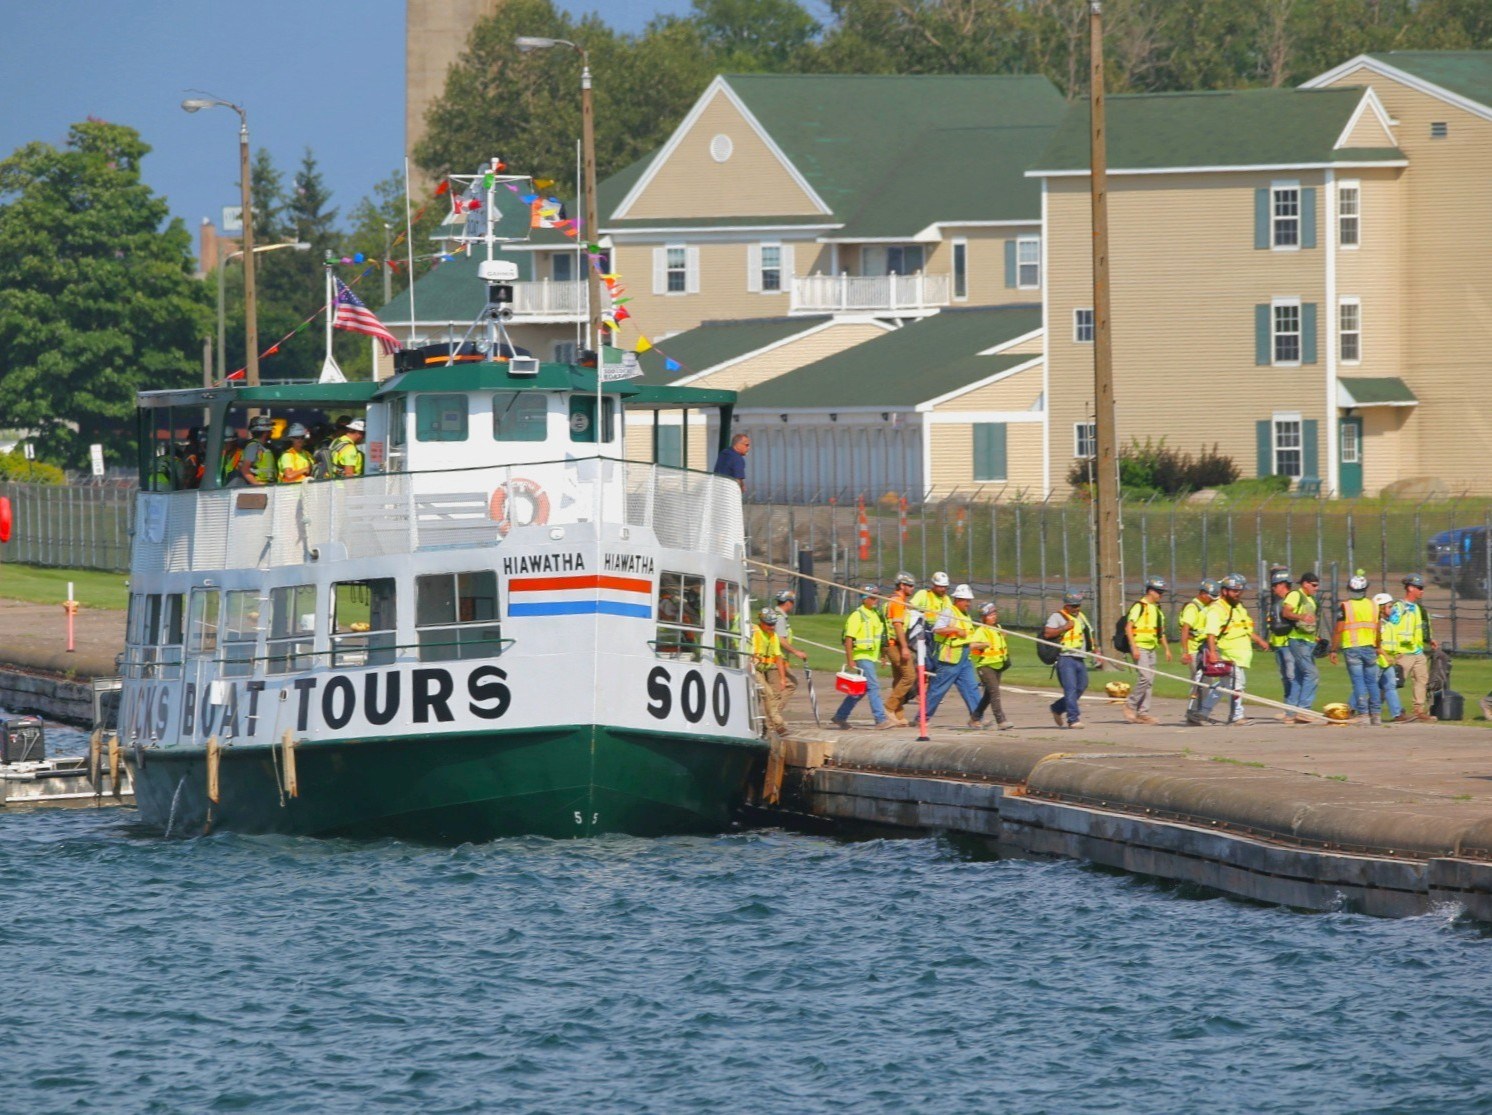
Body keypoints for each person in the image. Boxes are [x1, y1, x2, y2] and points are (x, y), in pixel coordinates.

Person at [1196, 575, 1271, 726]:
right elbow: (1211, 633)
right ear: (1224, 591)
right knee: (1238, 685)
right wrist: (1213, 653)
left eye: (1240, 591)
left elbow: (1245, 628)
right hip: (1228, 654)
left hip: (1241, 654)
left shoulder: (1238, 607)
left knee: (1224, 685)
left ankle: (1203, 712)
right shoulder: (1216, 610)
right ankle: (1236, 716)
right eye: (1234, 591)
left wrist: (1259, 640)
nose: (1238, 593)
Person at [832, 585, 892, 730]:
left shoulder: (876, 615)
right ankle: (880, 719)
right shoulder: (857, 615)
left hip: (871, 657)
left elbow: (880, 637)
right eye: (872, 597)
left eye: (877, 596)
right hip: (862, 656)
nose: (876, 599)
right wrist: (850, 659)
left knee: (860, 690)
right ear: (864, 599)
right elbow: (848, 639)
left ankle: (840, 716)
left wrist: (883, 655)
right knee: (874, 686)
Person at [925, 584, 983, 724]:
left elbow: (968, 638)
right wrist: (956, 630)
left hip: (964, 657)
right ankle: (922, 718)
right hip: (949, 659)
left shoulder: (966, 616)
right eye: (966, 600)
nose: (968, 603)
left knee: (971, 688)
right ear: (957, 599)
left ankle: (976, 719)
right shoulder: (949, 611)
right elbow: (937, 629)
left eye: (969, 600)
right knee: (938, 690)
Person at [1329, 572, 1382, 724]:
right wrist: (1378, 646)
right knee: (1372, 682)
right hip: (1370, 647)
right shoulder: (1373, 605)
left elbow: (1338, 629)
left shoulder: (1346, 606)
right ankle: (1376, 715)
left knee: (1358, 681)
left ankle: (1363, 714)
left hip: (1352, 648)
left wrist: (1333, 649)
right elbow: (1378, 630)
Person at [1123, 577, 1172, 726]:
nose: (1160, 595)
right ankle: (1130, 705)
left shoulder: (1157, 610)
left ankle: (1143, 713)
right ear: (1150, 591)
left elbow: (1160, 632)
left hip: (1151, 648)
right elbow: (1128, 628)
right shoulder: (1139, 606)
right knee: (1144, 677)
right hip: (1140, 647)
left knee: (1149, 681)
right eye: (1158, 592)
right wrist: (1134, 647)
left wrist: (1167, 649)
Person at [1044, 591, 1094, 729]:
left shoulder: (1081, 617)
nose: (1076, 608)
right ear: (1066, 605)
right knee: (1070, 688)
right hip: (1065, 658)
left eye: (1078, 605)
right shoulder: (1057, 616)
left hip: (1080, 657)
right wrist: (1065, 627)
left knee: (1081, 686)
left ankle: (1057, 708)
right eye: (1073, 606)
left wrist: (1094, 647)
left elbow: (1086, 634)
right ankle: (1073, 719)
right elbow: (1047, 633)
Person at [1392, 573, 1439, 722]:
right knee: (1393, 683)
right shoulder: (1399, 607)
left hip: (1417, 651)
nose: (1422, 591)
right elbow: (1390, 627)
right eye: (1419, 588)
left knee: (1421, 680)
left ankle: (1419, 711)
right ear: (1410, 588)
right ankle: (1373, 707)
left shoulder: (1419, 609)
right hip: (1403, 652)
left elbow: (1422, 627)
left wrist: (1429, 639)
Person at [1281, 571, 1321, 720]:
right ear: (1305, 583)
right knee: (1312, 674)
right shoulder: (1295, 595)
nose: (1316, 588)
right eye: (1314, 585)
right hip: (1298, 640)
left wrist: (1315, 637)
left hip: (1308, 641)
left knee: (1299, 677)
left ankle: (1290, 713)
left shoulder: (1311, 599)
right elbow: (1286, 612)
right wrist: (1301, 616)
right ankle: (1304, 710)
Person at [1180, 579, 1219, 722]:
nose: (1213, 600)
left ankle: (1198, 711)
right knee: (1199, 682)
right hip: (1194, 651)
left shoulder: (1206, 606)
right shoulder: (1193, 607)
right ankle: (1192, 712)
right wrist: (1185, 652)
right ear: (1203, 593)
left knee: (1206, 682)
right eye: (1211, 596)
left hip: (1204, 651)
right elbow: (1185, 630)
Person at [883, 572, 918, 727]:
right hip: (894, 644)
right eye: (909, 585)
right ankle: (888, 708)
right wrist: (904, 648)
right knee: (909, 676)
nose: (912, 588)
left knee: (899, 678)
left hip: (891, 644)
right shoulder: (897, 602)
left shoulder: (895, 600)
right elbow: (897, 626)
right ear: (901, 586)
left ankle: (898, 715)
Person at [972, 601, 1013, 730]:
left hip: (998, 665)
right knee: (995, 692)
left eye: (995, 613)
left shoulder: (998, 628)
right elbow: (972, 646)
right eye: (990, 614)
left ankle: (975, 718)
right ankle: (1001, 720)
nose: (994, 616)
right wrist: (983, 644)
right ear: (984, 617)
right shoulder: (981, 630)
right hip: (985, 665)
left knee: (989, 695)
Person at [752, 606, 789, 737]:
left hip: (765, 669)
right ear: (761, 622)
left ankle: (764, 727)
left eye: (773, 624)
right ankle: (779, 725)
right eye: (769, 624)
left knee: (769, 695)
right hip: (753, 669)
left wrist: (782, 678)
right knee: (767, 693)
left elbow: (778, 657)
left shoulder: (773, 636)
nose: (772, 627)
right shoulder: (754, 632)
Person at [1264, 569, 1297, 714]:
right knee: (1285, 677)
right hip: (1278, 645)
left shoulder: (1293, 600)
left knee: (1292, 676)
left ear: (1283, 584)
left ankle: (1294, 709)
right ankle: (1288, 707)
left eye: (1275, 585)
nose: (1273, 588)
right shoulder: (1276, 603)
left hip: (1290, 644)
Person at [771, 589, 810, 701]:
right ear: (787, 603)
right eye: (792, 602)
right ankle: (773, 715)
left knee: (784, 686)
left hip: (780, 658)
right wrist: (796, 652)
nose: (792, 605)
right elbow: (781, 639)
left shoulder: (778, 616)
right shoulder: (780, 618)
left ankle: (773, 715)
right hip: (776, 659)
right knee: (787, 685)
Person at [1373, 593, 1406, 724]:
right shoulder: (1377, 625)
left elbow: (1391, 642)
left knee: (1390, 686)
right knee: (1368, 685)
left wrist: (1397, 653)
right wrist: (1385, 656)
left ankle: (1397, 714)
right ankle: (1351, 708)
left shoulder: (1389, 624)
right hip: (1378, 661)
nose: (1392, 609)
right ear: (1381, 608)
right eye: (1389, 606)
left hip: (1387, 662)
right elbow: (1376, 645)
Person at [229, 416, 277, 487]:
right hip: (260, 488)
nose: (271, 432)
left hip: (268, 486)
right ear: (265, 432)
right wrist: (257, 484)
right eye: (270, 430)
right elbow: (245, 469)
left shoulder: (266, 447)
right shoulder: (253, 446)